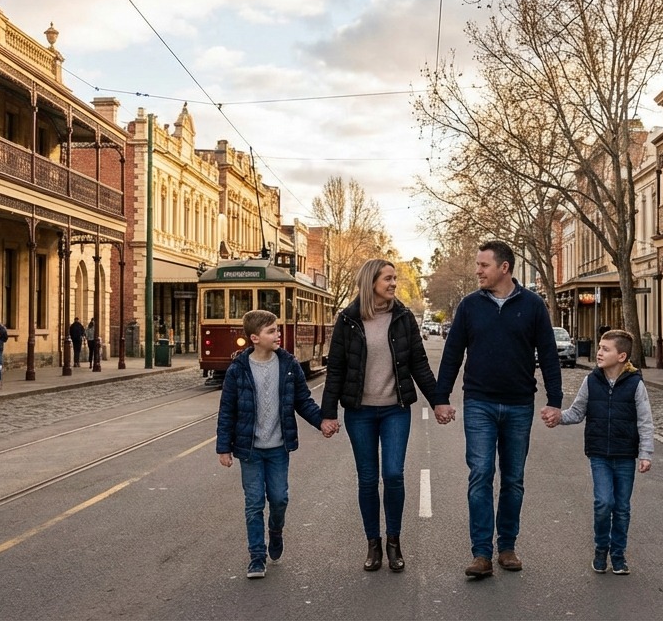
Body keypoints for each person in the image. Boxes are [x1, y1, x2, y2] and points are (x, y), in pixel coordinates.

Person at [434, 240, 563, 578]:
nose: (478, 270)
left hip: (520, 404)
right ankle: (481, 554)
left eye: (483, 265)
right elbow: (452, 354)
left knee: (513, 479)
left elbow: (548, 355)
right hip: (479, 403)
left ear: (504, 268)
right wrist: (441, 397)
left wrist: (555, 401)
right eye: (478, 265)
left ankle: (507, 546)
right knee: (480, 475)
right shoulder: (469, 306)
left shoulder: (533, 306)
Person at [321, 258, 443, 573]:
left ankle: (393, 542)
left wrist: (439, 402)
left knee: (392, 474)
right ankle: (372, 545)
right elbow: (335, 368)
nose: (393, 283)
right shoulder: (348, 320)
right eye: (388, 278)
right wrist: (327, 413)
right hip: (359, 412)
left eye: (394, 278)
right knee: (366, 479)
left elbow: (418, 363)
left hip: (395, 410)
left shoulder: (403, 318)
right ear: (371, 282)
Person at [216, 309, 325, 579]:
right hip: (249, 450)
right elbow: (227, 410)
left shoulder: (288, 365)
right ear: (255, 337)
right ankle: (256, 556)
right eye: (272, 331)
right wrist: (223, 447)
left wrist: (323, 421)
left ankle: (275, 532)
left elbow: (303, 401)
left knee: (279, 499)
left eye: (277, 330)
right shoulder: (238, 370)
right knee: (254, 503)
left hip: (278, 447)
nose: (278, 334)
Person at [543, 330, 655, 575]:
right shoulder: (591, 381)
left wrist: (645, 453)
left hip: (625, 454)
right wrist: (558, 417)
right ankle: (601, 549)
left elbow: (645, 421)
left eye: (606, 349)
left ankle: (618, 555)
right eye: (600, 347)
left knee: (622, 507)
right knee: (604, 502)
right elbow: (577, 411)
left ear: (622, 356)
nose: (599, 352)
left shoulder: (635, 384)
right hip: (599, 455)